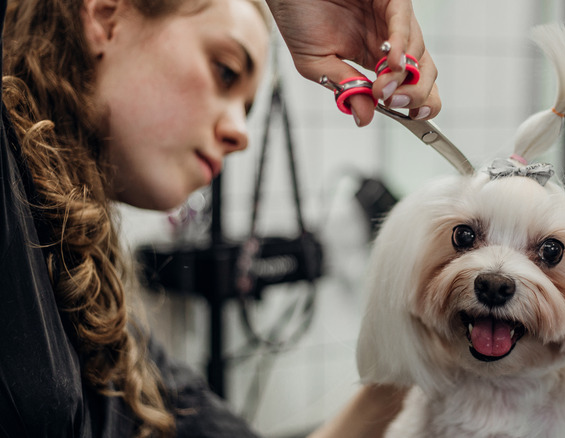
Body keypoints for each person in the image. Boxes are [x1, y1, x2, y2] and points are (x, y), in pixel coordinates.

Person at [0, 0, 439, 436]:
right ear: (106, 16)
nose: (241, 135)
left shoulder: (99, 306)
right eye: (225, 71)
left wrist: (410, 357)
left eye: (247, 109)